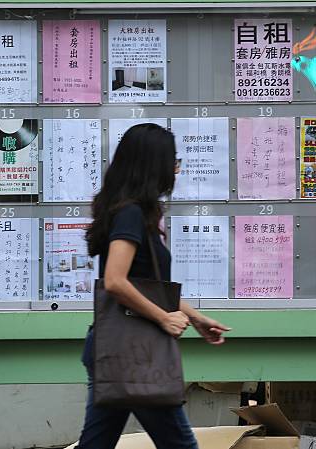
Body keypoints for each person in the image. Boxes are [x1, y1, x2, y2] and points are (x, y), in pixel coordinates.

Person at [76, 123, 231, 449]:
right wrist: (163, 318)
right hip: (135, 351)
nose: (177, 169)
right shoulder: (131, 214)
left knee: (96, 443)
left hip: (115, 346)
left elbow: (149, 286)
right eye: (173, 160)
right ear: (153, 164)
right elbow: (116, 281)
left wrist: (196, 317)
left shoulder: (133, 212)